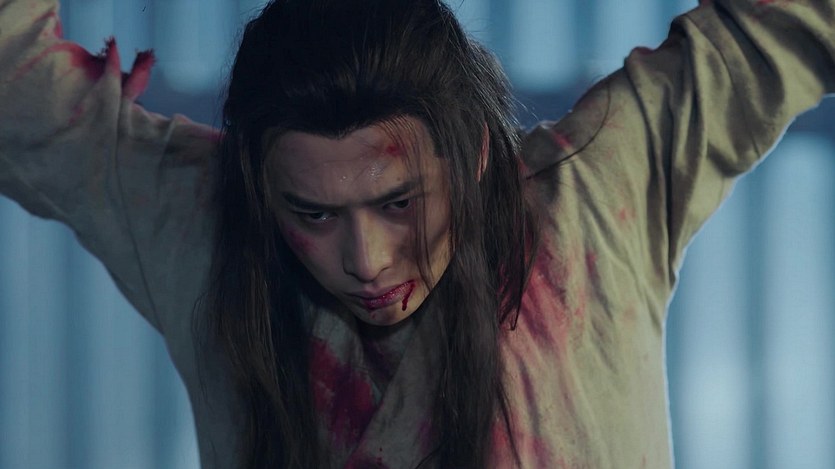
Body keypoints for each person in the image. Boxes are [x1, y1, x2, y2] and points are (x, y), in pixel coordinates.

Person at [0, 0, 832, 467]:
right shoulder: (204, 224)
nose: (366, 261)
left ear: (474, 153)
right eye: (312, 214)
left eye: (399, 202)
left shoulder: (590, 198)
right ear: (261, 191)